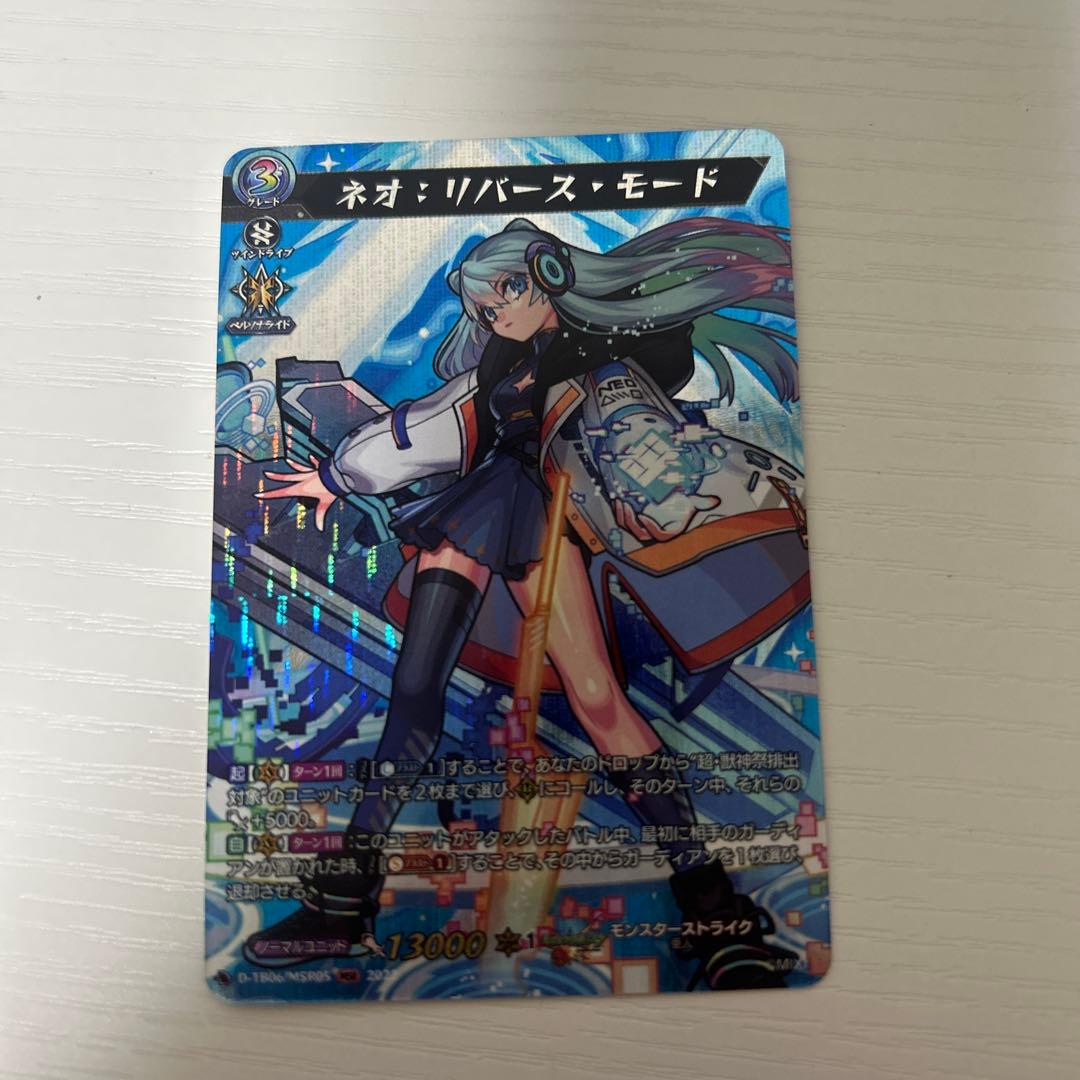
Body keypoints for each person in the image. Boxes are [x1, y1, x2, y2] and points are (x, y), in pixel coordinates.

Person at [246, 217, 804, 989]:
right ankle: (341, 905)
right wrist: (337, 477)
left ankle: (716, 915)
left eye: (503, 294)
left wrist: (660, 483)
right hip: (478, 509)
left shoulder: (603, 358)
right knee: (414, 693)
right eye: (482, 306)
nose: (493, 313)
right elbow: (436, 423)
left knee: (599, 699)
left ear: (545, 277)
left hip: (545, 519)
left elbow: (640, 429)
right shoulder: (499, 361)